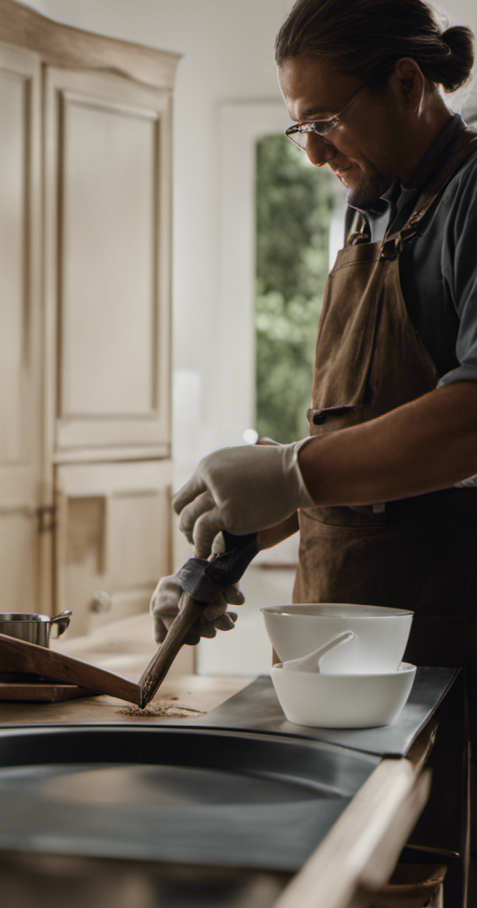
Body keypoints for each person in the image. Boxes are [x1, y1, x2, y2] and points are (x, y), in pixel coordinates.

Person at [152, 0, 477, 682]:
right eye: (302, 128)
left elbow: (469, 424)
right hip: (332, 657)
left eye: (326, 122)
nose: (314, 155)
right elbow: (371, 457)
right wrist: (233, 541)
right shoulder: (376, 215)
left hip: (442, 658)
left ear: (409, 85)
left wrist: (290, 472)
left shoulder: (469, 200)